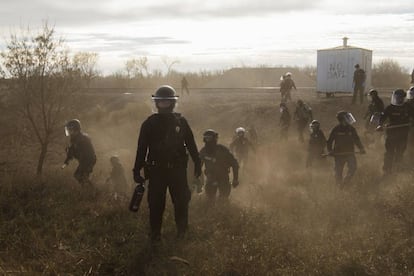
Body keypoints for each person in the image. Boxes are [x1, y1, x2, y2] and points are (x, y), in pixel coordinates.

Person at [133, 85, 201, 241]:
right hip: (156, 171)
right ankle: (155, 235)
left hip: (177, 171)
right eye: (161, 101)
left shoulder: (181, 122)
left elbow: (191, 144)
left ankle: (182, 233)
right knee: (156, 205)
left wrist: (197, 163)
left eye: (167, 101)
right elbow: (141, 149)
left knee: (181, 202)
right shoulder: (149, 123)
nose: (163, 104)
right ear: (156, 103)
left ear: (172, 102)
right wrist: (136, 170)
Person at [199, 129, 239, 204]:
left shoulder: (223, 150)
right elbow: (198, 166)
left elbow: (235, 164)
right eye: (206, 138)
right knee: (210, 200)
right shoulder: (203, 151)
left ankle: (224, 214)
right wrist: (196, 180)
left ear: (214, 138)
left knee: (223, 200)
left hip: (223, 178)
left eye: (209, 138)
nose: (208, 140)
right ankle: (211, 214)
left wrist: (235, 179)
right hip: (210, 178)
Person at [376, 89, 411, 175]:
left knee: (400, 152)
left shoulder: (408, 107)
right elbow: (382, 118)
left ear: (403, 98)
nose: (398, 99)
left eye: (400, 98)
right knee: (389, 152)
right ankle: (387, 170)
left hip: (403, 134)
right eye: (396, 97)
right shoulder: (390, 108)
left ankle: (397, 169)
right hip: (391, 133)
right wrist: (380, 125)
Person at [327, 111, 366, 187]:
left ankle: (345, 182)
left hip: (350, 153)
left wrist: (361, 148)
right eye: (347, 118)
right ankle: (339, 187)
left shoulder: (351, 129)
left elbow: (356, 139)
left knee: (353, 168)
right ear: (342, 120)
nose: (349, 119)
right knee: (338, 172)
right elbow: (329, 141)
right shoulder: (336, 129)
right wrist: (330, 150)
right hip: (338, 154)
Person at [62, 119, 96, 186]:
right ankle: (88, 191)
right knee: (78, 176)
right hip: (84, 161)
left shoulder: (83, 138)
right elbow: (72, 150)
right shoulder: (74, 138)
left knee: (81, 176)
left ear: (75, 129)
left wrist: (74, 153)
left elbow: (85, 152)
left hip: (89, 160)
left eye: (70, 129)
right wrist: (67, 160)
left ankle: (93, 192)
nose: (68, 131)